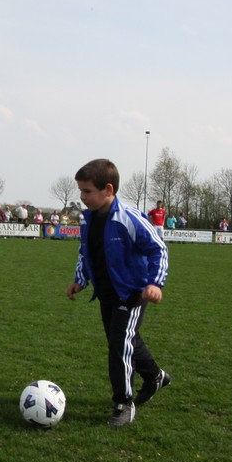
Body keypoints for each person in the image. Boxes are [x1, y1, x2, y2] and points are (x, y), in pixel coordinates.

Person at [65, 158, 171, 427]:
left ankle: (123, 403)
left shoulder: (129, 218)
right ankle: (156, 376)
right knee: (125, 340)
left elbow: (158, 249)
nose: (82, 196)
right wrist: (80, 280)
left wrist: (154, 283)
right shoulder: (88, 220)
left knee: (119, 345)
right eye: (80, 190)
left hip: (132, 292)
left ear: (108, 189)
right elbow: (85, 253)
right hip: (107, 293)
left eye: (87, 191)